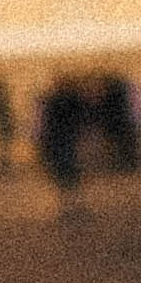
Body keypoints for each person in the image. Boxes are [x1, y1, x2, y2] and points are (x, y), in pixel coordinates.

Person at [36, 74, 84, 203]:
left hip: (62, 138)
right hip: (61, 138)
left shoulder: (59, 100)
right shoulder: (69, 100)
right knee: (65, 166)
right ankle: (69, 195)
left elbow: (44, 122)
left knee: (65, 166)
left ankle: (69, 195)